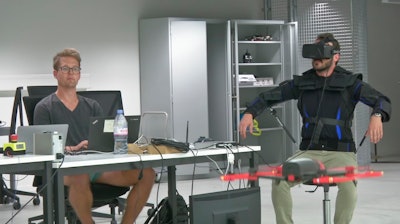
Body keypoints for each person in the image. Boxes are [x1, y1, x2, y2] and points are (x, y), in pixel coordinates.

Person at [239, 33, 391, 224]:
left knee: (348, 187)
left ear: (336, 56)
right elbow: (268, 96)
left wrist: (377, 115)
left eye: (323, 53)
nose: (316, 59)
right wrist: (249, 113)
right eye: (314, 53)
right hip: (309, 153)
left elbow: (382, 100)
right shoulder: (303, 83)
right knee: (280, 180)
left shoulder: (350, 83)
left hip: (341, 153)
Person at [34, 48, 155, 224]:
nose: (71, 73)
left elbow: (104, 141)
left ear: (79, 74)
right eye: (65, 68)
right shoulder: (44, 107)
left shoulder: (92, 106)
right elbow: (42, 147)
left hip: (94, 166)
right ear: (55, 73)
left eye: (75, 69)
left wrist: (97, 145)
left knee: (147, 174)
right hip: (62, 170)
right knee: (80, 175)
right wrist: (73, 148)